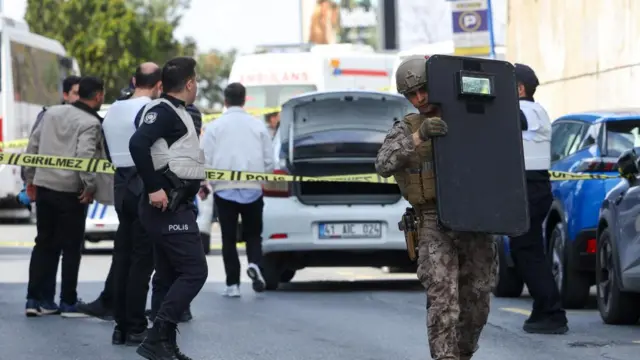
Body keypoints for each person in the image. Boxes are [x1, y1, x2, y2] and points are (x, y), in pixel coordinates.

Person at [374, 55, 495, 360]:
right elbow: (383, 164)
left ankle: (463, 353)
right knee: (443, 300)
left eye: (423, 90)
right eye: (411, 95)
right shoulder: (406, 127)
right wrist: (420, 136)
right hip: (432, 221)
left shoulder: (470, 115)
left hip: (474, 219)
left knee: (477, 300)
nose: (419, 98)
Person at [129, 56, 208, 360]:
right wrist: (153, 187)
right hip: (167, 206)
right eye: (197, 80)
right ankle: (157, 336)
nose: (197, 85)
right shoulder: (163, 111)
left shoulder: (176, 111)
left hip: (174, 204)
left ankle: (163, 345)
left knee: (166, 275)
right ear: (189, 83)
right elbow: (138, 144)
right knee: (194, 271)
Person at [24, 76, 110, 318]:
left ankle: (35, 299)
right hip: (71, 192)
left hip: (44, 186)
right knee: (71, 248)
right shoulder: (90, 122)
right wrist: (89, 186)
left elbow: (32, 147)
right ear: (98, 96)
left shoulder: (51, 113)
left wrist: (30, 179)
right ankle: (68, 301)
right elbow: (84, 157)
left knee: (43, 243)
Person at [101, 62, 163, 346]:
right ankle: (136, 324)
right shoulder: (149, 110)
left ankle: (120, 326)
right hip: (142, 185)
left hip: (121, 187)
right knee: (141, 260)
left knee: (123, 257)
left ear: (134, 80)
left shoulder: (113, 108)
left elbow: (106, 149)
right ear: (159, 84)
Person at [201, 82, 274, 297]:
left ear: (225, 100)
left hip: (224, 190)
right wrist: (263, 177)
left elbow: (204, 159)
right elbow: (269, 160)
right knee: (253, 235)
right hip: (253, 188)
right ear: (244, 100)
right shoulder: (257, 125)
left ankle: (232, 284)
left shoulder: (215, 127)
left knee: (228, 239)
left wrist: (205, 182)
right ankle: (254, 264)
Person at [512, 63, 569, 334]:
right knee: (530, 250)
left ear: (520, 88)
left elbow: (518, 122)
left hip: (529, 188)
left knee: (528, 252)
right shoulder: (532, 109)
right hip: (531, 188)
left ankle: (550, 311)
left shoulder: (527, 110)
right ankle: (544, 308)